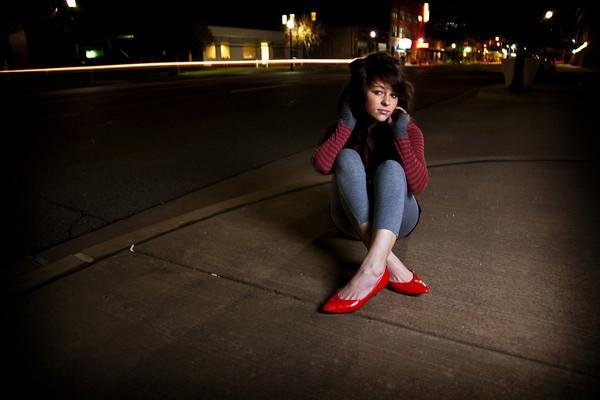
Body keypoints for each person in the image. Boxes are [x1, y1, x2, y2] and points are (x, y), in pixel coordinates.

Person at [312, 52, 430, 314]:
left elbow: (419, 185)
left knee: (391, 168)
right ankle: (387, 263)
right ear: (360, 93)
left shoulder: (408, 130)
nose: (387, 102)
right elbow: (321, 165)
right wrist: (346, 123)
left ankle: (373, 268)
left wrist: (400, 136)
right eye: (378, 92)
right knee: (346, 156)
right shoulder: (343, 127)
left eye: (393, 95)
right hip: (351, 220)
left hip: (399, 221)